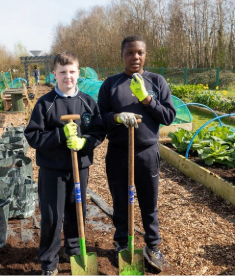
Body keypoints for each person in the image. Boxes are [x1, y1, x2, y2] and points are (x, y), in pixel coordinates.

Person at [97, 35, 176, 272]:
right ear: (122, 56)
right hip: (119, 153)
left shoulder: (156, 81)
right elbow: (100, 119)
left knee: (149, 203)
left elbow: (169, 116)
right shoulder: (111, 84)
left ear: (145, 55)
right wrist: (116, 117)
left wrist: (147, 99)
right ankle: (123, 244)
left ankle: (152, 246)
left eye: (140, 52)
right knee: (121, 202)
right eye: (130, 53)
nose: (135, 57)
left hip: (147, 153)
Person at [24, 51, 106, 275]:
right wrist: (59, 135)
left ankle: (73, 251)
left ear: (79, 73)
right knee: (52, 216)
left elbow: (99, 132)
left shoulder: (88, 103)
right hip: (53, 171)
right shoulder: (46, 104)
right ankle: (49, 263)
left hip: (80, 168)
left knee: (76, 211)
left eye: (71, 72)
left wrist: (84, 142)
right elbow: (33, 136)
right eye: (62, 72)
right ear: (54, 75)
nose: (67, 76)